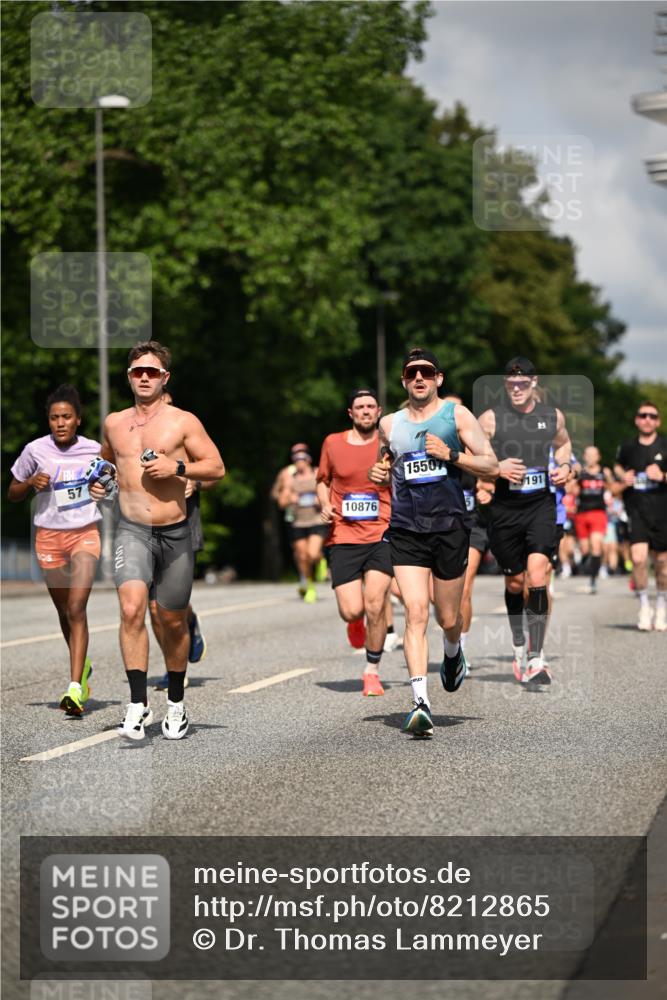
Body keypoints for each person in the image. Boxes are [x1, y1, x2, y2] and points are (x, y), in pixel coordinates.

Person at [90, 341, 225, 740]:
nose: (144, 377)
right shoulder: (114, 422)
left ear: (165, 377)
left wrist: (178, 467)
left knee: (172, 621)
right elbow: (108, 464)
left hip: (176, 533)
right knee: (132, 609)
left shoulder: (183, 421)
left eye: (152, 372)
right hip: (132, 530)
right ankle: (136, 705)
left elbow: (217, 467)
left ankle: (178, 704)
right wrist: (104, 487)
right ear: (129, 377)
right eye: (137, 371)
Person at [369, 348, 498, 738]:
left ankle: (453, 651)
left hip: (450, 527)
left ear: (439, 378)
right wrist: (378, 473)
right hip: (406, 528)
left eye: (426, 372)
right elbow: (384, 466)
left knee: (448, 618)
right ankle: (420, 701)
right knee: (415, 611)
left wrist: (453, 454)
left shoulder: (456, 416)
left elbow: (490, 464)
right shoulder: (389, 424)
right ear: (404, 381)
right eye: (412, 374)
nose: (419, 379)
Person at [478, 357, 571, 690]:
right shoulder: (490, 419)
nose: (516, 389)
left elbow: (564, 445)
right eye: (510, 383)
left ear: (534, 382)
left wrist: (565, 468)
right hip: (504, 511)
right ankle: (519, 642)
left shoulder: (551, 416)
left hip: (540, 506)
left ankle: (536, 655)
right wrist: (495, 467)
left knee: (537, 576)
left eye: (522, 383)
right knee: (515, 583)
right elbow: (472, 455)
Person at [8, 384, 102, 716]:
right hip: (48, 537)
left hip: (84, 534)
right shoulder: (35, 450)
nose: (60, 422)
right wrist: (30, 484)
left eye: (66, 417)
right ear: (49, 421)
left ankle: (75, 688)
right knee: (65, 611)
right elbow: (12, 492)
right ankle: (83, 667)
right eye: (54, 418)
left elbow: (111, 484)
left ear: (78, 419)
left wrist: (104, 488)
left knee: (77, 607)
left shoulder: (95, 449)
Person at [317, 388, 394, 696]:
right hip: (344, 535)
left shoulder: (390, 445)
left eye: (370, 406)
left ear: (378, 412)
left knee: (376, 603)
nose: (365, 411)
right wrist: (324, 504)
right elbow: (322, 480)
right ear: (350, 413)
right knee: (352, 610)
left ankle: (371, 671)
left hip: (382, 533)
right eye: (359, 407)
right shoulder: (333, 443)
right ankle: (355, 622)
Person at [151, 392, 212, 691]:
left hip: (185, 527)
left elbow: (215, 472)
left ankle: (189, 621)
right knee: (153, 607)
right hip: (145, 530)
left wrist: (195, 480)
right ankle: (170, 667)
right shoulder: (137, 435)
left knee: (173, 605)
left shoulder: (187, 431)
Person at [615, 402, 667, 631]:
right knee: (638, 558)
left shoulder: (665, 444)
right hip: (636, 510)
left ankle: (662, 605)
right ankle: (644, 605)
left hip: (662, 511)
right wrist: (622, 477)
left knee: (662, 564)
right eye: (643, 415)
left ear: (658, 421)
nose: (647, 419)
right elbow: (617, 466)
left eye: (652, 416)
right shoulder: (627, 446)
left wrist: (663, 476)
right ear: (637, 420)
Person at [273, 445, 328, 603]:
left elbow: (329, 491)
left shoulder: (317, 473)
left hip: (316, 519)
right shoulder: (289, 477)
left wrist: (321, 500)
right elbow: (281, 501)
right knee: (302, 557)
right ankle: (310, 585)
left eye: (302, 458)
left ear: (309, 460)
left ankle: (321, 561)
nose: (299, 462)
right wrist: (290, 498)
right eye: (296, 459)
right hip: (298, 522)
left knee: (312, 553)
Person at [571, 446, 614, 594]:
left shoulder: (605, 472)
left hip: (598, 512)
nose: (590, 457)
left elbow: (613, 489)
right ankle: (586, 563)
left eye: (593, 455)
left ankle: (593, 580)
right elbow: (572, 489)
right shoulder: (581, 473)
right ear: (584, 456)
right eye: (587, 455)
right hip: (582, 513)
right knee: (585, 549)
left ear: (598, 457)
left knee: (596, 545)